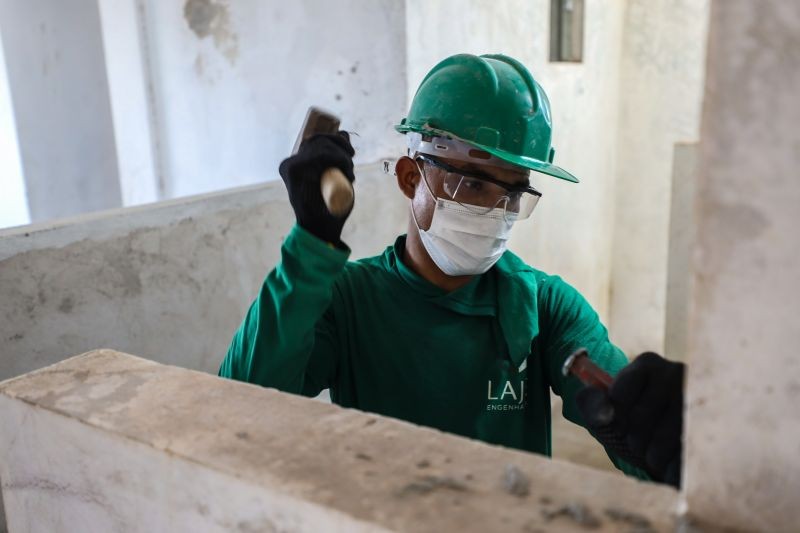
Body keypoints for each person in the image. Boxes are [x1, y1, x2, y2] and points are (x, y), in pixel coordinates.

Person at [219, 53, 685, 487]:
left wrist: (668, 432)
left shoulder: (543, 306)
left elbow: (628, 427)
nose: (496, 211)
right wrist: (310, 245)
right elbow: (237, 411)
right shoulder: (348, 301)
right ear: (410, 178)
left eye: (513, 194)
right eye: (474, 184)